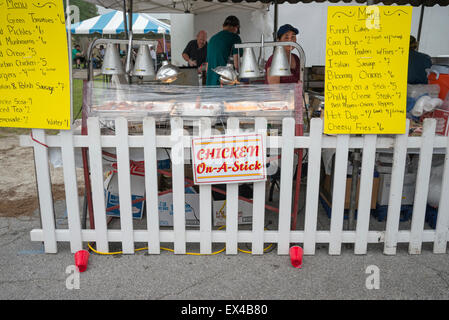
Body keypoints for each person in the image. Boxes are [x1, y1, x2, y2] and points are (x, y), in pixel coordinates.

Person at [205, 16, 242, 86]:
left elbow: (207, 67)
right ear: (236, 27)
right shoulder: (235, 38)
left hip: (210, 83)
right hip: (225, 83)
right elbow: (236, 64)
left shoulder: (212, 39)